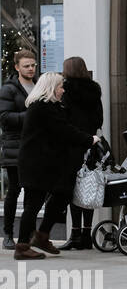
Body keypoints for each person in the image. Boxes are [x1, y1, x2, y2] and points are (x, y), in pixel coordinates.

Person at [15, 72, 96, 260]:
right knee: (32, 205)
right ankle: (22, 246)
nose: (63, 90)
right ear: (51, 88)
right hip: (36, 164)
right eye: (60, 87)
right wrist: (89, 139)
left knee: (63, 194)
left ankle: (42, 236)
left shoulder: (51, 107)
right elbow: (64, 131)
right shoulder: (43, 108)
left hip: (47, 164)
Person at [61, 57, 104, 250]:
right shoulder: (94, 91)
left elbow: (64, 119)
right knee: (88, 187)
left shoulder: (65, 90)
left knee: (73, 190)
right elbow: (99, 119)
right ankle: (87, 233)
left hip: (71, 144)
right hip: (91, 143)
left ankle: (75, 233)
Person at [0, 48, 37, 250]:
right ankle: (8, 234)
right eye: (26, 66)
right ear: (17, 67)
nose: (31, 69)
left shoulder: (39, 85)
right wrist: (29, 116)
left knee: (34, 191)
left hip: (35, 147)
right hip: (15, 147)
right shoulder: (9, 89)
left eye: (33, 65)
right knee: (14, 191)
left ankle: (29, 232)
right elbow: (4, 118)